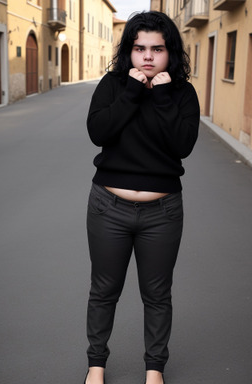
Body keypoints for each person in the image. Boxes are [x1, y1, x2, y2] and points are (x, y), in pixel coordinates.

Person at [84, 11, 200, 384]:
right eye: (139, 48)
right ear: (129, 52)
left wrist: (162, 95)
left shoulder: (182, 93)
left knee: (157, 295)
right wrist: (133, 92)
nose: (148, 56)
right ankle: (96, 366)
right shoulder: (114, 85)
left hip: (162, 212)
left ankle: (154, 371)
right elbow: (99, 132)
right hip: (108, 207)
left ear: (170, 52)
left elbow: (181, 145)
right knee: (104, 291)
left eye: (157, 49)